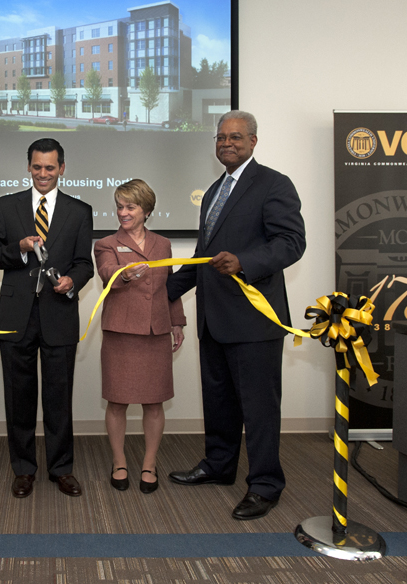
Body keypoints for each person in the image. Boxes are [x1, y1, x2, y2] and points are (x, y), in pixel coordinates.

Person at [166, 110, 306, 521]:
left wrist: (244, 260)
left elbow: (291, 243)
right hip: (214, 320)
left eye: (236, 137)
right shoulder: (212, 192)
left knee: (259, 408)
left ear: (253, 142)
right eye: (221, 137)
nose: (227, 143)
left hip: (254, 322)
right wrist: (156, 293)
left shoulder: (274, 184)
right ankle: (219, 465)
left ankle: (265, 485)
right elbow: (202, 258)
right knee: (220, 402)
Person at [0, 137, 94, 498]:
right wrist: (18, 248)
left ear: (62, 168)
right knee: (19, 398)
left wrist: (72, 281)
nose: (43, 174)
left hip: (59, 314)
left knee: (59, 398)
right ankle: (23, 469)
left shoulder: (80, 211)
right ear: (28, 166)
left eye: (50, 167)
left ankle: (61, 469)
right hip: (15, 315)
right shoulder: (5, 205)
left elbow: (84, 264)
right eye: (37, 167)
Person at [94, 179, 186, 494]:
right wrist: (124, 274)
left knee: (154, 402)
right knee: (117, 401)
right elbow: (106, 272)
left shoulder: (163, 244)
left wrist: (177, 322)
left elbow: (171, 288)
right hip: (121, 332)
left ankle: (149, 462)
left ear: (146, 209)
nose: (123, 212)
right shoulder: (105, 243)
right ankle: (119, 461)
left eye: (130, 206)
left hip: (155, 331)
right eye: (119, 206)